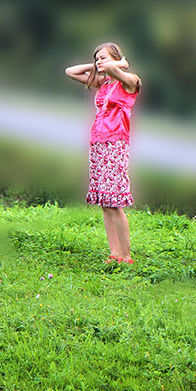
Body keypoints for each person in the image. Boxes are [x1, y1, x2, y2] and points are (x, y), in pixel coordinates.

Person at [65, 42, 141, 263]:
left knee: (115, 202)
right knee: (105, 203)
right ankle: (114, 253)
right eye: (97, 58)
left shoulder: (130, 81)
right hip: (97, 143)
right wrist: (102, 65)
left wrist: (117, 65)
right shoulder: (103, 83)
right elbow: (70, 71)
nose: (99, 61)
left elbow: (115, 71)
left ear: (117, 58)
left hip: (115, 144)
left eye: (103, 57)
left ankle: (126, 256)